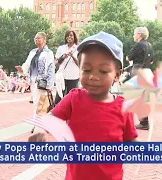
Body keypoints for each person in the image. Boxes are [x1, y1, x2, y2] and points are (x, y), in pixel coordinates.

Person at [28, 32, 138, 180]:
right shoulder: (74, 99)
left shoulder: (124, 107)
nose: (93, 76)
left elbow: (131, 140)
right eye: (86, 70)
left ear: (117, 75)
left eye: (103, 71)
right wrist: (42, 130)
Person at [126, 27, 154, 130]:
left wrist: (129, 58)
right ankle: (144, 121)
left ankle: (141, 122)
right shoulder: (150, 45)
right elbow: (151, 61)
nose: (134, 36)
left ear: (139, 35)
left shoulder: (139, 45)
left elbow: (128, 58)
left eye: (134, 34)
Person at [22, 32, 55, 115]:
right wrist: (22, 70)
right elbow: (27, 64)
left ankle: (37, 122)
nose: (37, 40)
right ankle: (36, 122)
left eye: (39, 38)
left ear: (44, 40)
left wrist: (49, 85)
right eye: (35, 38)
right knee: (36, 103)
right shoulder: (33, 52)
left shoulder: (48, 53)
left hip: (42, 82)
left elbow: (51, 68)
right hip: (33, 81)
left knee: (41, 103)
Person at [54, 30, 79, 105]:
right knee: (58, 99)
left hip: (73, 76)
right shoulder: (61, 48)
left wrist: (72, 56)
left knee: (71, 99)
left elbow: (80, 64)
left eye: (71, 35)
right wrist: (63, 56)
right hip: (62, 76)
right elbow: (56, 63)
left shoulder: (78, 48)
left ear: (74, 37)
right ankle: (57, 114)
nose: (69, 37)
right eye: (68, 36)